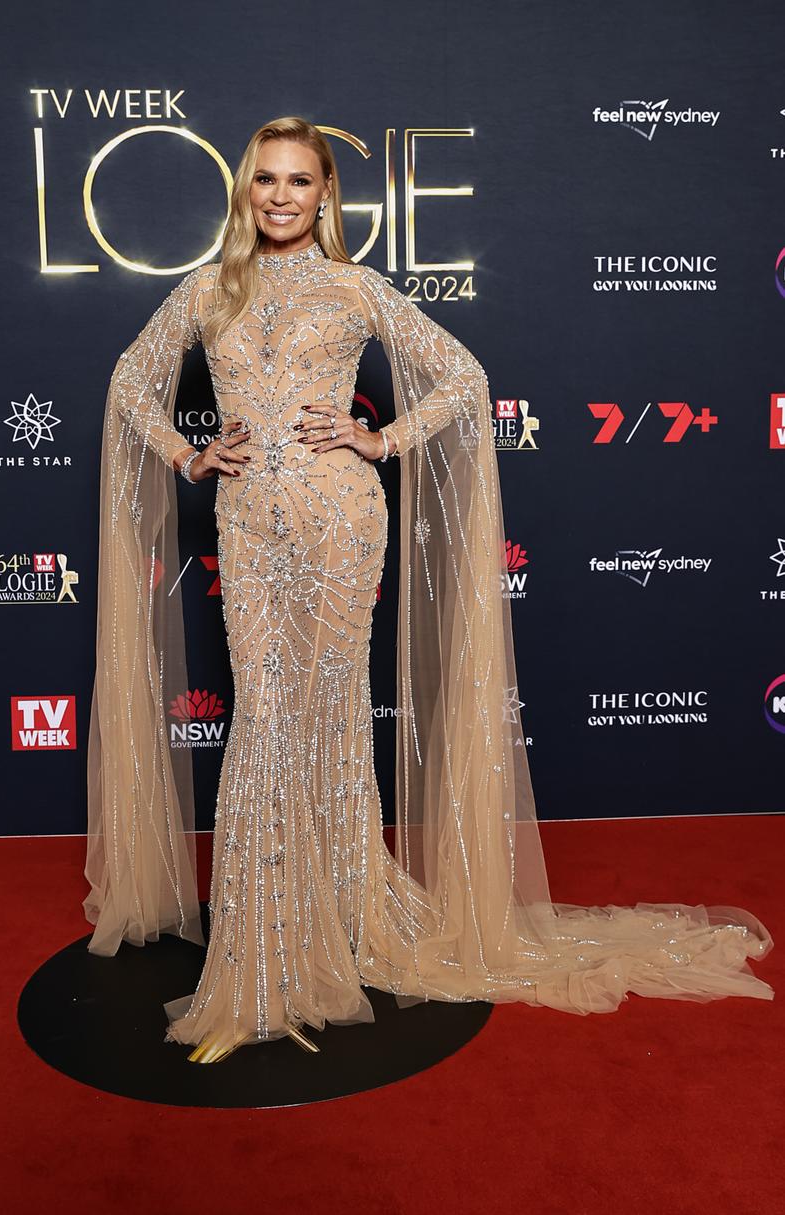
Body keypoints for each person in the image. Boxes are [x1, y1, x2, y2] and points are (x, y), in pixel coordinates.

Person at [83, 116, 774, 1064]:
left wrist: (382, 438)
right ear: (246, 191)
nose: (281, 197)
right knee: (267, 715)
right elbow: (131, 378)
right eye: (266, 181)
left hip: (341, 525)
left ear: (327, 194)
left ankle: (337, 916)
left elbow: (464, 376)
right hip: (246, 529)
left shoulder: (359, 287)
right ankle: (265, 953)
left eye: (300, 182)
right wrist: (187, 454)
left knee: (325, 714)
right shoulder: (208, 289)